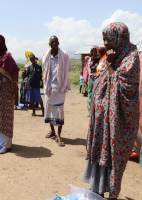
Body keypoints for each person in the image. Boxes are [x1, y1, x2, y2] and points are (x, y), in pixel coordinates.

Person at [82, 22, 140, 199]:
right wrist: (109, 63)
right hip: (102, 120)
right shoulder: (110, 56)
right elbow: (101, 81)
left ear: (118, 38)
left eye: (108, 40)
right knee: (101, 155)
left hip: (117, 122)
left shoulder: (131, 58)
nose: (105, 44)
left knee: (113, 158)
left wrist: (111, 64)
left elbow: (125, 88)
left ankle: (112, 194)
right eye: (104, 40)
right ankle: (98, 190)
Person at [43, 36, 72, 147]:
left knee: (60, 111)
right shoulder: (46, 56)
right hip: (49, 87)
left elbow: (68, 68)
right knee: (48, 110)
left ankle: (59, 135)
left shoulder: (64, 55)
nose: (54, 43)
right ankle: (53, 131)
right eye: (52, 42)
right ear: (49, 44)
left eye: (55, 42)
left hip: (60, 87)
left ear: (58, 43)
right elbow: (45, 71)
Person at [87, 46, 99, 116]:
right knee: (90, 94)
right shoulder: (90, 59)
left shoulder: (100, 59)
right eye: (92, 51)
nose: (94, 52)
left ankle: (96, 111)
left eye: (95, 51)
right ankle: (90, 111)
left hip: (97, 78)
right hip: (91, 78)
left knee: (97, 94)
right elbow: (88, 69)